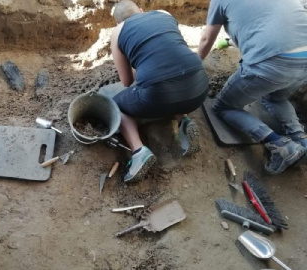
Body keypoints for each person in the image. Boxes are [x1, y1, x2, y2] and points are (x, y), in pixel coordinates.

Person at [198, 0, 307, 174]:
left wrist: (194, 67)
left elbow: (206, 39)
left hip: (273, 62)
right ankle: (301, 141)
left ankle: (280, 146)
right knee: (277, 98)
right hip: (304, 61)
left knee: (223, 107)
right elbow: (270, 25)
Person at [110, 1, 209, 182]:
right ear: (141, 10)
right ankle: (184, 121)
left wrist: (137, 62)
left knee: (115, 104)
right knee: (173, 78)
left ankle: (139, 151)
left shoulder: (117, 32)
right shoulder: (164, 13)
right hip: (199, 88)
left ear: (118, 23)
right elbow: (170, 51)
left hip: (160, 95)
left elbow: (127, 81)